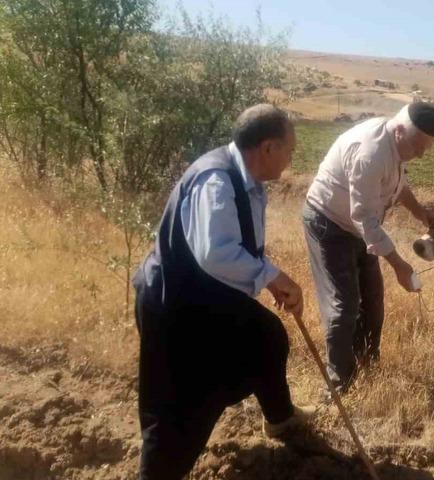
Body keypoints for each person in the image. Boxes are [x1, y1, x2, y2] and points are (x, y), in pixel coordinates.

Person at [132, 104, 313, 480]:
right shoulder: (216, 180)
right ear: (267, 148)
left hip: (207, 297)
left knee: (267, 337)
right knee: (181, 411)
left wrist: (265, 276)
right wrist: (272, 276)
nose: (291, 159)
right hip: (176, 304)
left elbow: (235, 248)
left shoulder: (247, 180)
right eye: (289, 150)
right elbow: (215, 253)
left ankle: (280, 421)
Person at [302, 102, 434, 395]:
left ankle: (366, 365)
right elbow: (363, 217)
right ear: (401, 131)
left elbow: (398, 186)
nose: (421, 154)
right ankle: (339, 385)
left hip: (357, 226)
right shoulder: (371, 152)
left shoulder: (396, 143)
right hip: (329, 223)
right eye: (419, 146)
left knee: (373, 301)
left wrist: (421, 214)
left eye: (426, 148)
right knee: (345, 306)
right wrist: (399, 264)